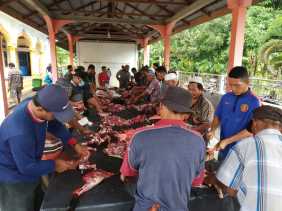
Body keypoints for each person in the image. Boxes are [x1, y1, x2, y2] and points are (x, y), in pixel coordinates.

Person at [0, 85, 89, 211]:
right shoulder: (20, 131)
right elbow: (26, 167)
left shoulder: (36, 105)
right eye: (56, 114)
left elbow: (55, 124)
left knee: (38, 203)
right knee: (21, 205)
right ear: (41, 109)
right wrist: (55, 165)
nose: (58, 117)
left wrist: (74, 144)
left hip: (32, 167)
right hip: (13, 178)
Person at [120, 86, 205, 211]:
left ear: (161, 107)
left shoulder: (139, 136)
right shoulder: (199, 140)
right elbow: (196, 181)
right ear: (186, 115)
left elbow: (127, 174)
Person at [205, 105, 282, 211]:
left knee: (227, 199)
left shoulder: (246, 145)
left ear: (254, 123)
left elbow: (230, 189)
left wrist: (211, 179)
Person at [207, 66, 260, 160]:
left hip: (242, 148)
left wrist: (227, 141)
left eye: (237, 85)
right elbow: (218, 116)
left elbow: (251, 129)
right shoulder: (226, 97)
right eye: (230, 85)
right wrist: (212, 130)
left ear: (247, 82)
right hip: (223, 145)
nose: (233, 88)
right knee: (221, 168)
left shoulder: (254, 102)